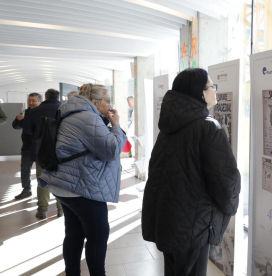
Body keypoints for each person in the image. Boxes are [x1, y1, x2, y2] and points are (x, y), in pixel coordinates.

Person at [142, 68, 241, 276]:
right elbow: (226, 180)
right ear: (200, 93)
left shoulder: (169, 126)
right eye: (211, 86)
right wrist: (230, 208)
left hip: (168, 218)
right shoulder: (208, 128)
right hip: (193, 225)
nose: (215, 90)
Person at [38, 83, 126, 276]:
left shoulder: (72, 112)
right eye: (107, 101)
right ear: (94, 102)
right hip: (82, 186)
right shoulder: (87, 117)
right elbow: (111, 150)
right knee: (98, 236)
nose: (110, 104)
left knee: (74, 235)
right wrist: (117, 125)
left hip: (66, 184)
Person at [22, 89, 63, 219]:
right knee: (60, 181)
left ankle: (42, 211)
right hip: (60, 151)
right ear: (58, 97)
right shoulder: (64, 109)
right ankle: (61, 210)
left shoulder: (34, 111)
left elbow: (27, 130)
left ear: (45, 97)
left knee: (42, 180)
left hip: (41, 151)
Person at [12, 93, 42, 199]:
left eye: (33, 100)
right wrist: (18, 120)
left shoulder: (42, 113)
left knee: (41, 172)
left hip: (40, 148)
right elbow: (15, 126)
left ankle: (42, 193)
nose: (30, 103)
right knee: (25, 169)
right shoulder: (25, 112)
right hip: (27, 147)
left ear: (40, 101)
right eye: (29, 100)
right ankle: (26, 190)